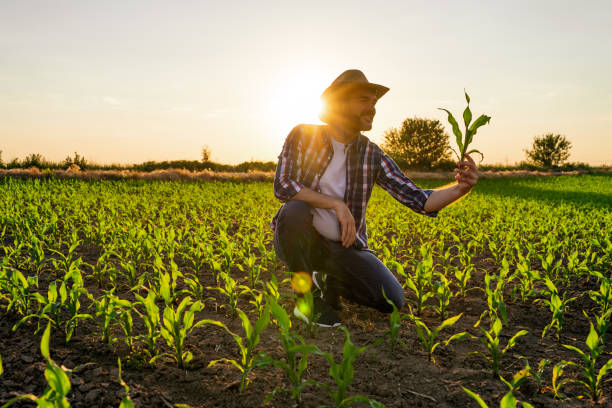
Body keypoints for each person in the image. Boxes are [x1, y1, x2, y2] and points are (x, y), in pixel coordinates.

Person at [270, 69, 479, 327]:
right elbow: (283, 185)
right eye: (364, 100)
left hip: (342, 249)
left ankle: (331, 282)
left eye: (374, 102)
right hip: (298, 240)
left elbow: (418, 198)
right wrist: (336, 205)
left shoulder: (372, 154)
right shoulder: (303, 135)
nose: (372, 108)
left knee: (392, 300)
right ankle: (306, 300)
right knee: (294, 210)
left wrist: (460, 189)